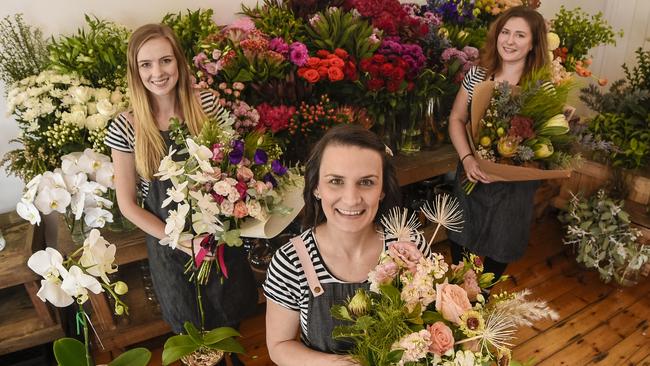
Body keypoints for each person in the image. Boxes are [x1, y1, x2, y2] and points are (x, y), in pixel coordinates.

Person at [105, 24, 257, 363]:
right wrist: (181, 241)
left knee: (230, 313)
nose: (157, 73)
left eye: (165, 61)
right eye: (146, 64)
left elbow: (232, 162)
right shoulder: (126, 127)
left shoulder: (205, 104)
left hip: (217, 233)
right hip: (170, 245)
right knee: (193, 327)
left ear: (179, 63)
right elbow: (128, 204)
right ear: (135, 70)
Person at [263, 124, 430, 365]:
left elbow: (432, 324)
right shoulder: (291, 262)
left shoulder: (409, 247)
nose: (351, 199)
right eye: (336, 181)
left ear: (382, 190)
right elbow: (279, 346)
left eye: (366, 182)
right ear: (316, 187)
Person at [447, 6, 550, 283]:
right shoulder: (478, 76)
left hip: (512, 191)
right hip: (471, 177)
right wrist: (468, 158)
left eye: (520, 35)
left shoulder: (542, 88)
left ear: (533, 44)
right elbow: (456, 119)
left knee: (494, 263)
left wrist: (509, 168)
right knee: (460, 254)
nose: (509, 41)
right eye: (505, 32)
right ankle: (456, 306)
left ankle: (478, 309)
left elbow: (549, 144)